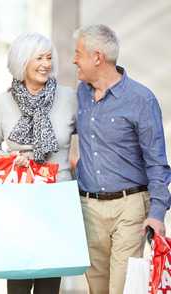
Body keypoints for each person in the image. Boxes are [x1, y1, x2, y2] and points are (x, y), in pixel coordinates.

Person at [73, 24, 171, 294]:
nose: (73, 60)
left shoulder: (141, 99)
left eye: (78, 53)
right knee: (98, 290)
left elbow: (157, 162)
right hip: (89, 208)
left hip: (130, 208)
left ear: (97, 57)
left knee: (122, 288)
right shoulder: (80, 95)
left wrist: (157, 213)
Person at [0, 32, 77, 294]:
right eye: (39, 58)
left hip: (56, 202)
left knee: (49, 285)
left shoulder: (68, 98)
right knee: (18, 285)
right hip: (18, 203)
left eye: (49, 58)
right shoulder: (2, 103)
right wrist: (13, 159)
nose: (46, 64)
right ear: (22, 61)